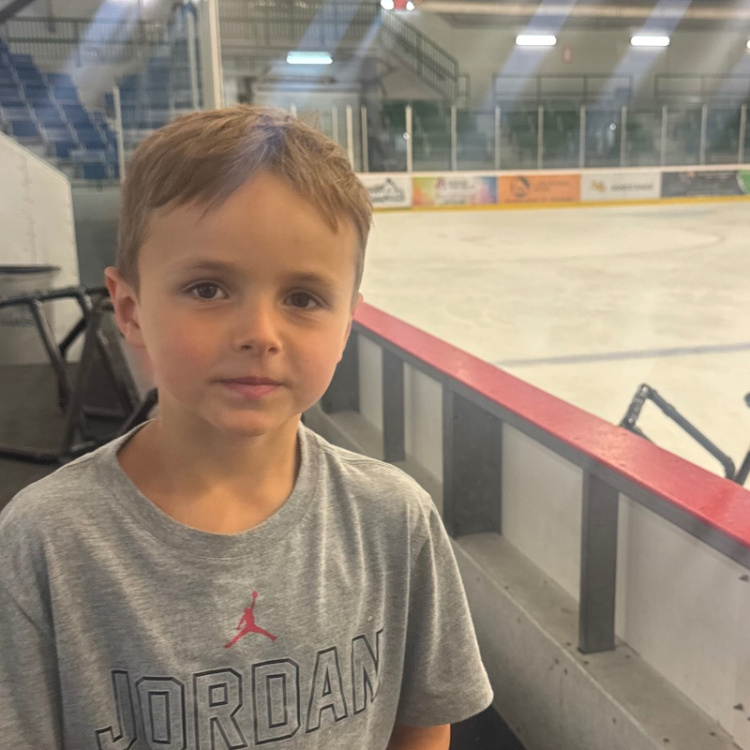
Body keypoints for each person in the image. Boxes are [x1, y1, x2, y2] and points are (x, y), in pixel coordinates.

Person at [0, 105, 493, 749]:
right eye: (208, 289)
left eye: (303, 298)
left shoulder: (394, 518)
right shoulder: (47, 541)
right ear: (130, 308)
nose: (260, 334)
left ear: (347, 323)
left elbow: (423, 723)